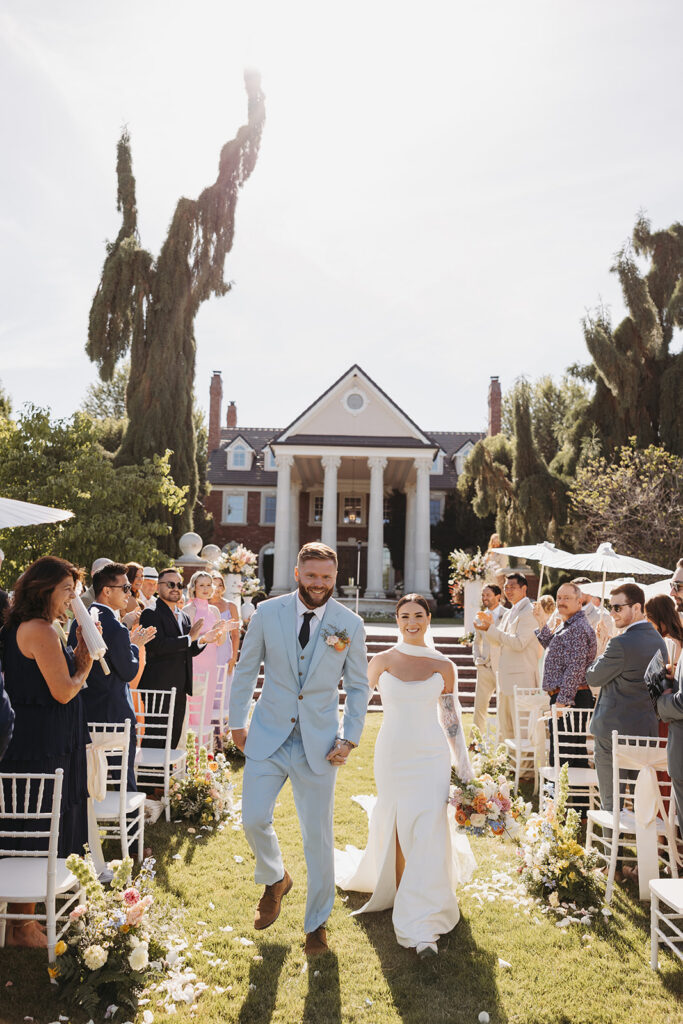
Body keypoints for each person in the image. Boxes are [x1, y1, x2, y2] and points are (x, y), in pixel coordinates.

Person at [229, 542, 369, 956]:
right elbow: (246, 667)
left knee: (318, 838)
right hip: (268, 734)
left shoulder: (350, 624)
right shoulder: (268, 613)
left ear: (335, 575)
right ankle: (276, 877)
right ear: (297, 573)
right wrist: (238, 721)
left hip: (320, 743)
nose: (319, 584)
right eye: (311, 576)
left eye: (326, 577)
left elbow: (359, 687)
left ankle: (316, 925)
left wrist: (350, 735)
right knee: (253, 819)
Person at [335, 594, 475, 958]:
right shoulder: (380, 661)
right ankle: (398, 891)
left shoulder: (444, 665)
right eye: (404, 616)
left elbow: (451, 718)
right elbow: (359, 704)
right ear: (397, 620)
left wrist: (463, 763)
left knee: (429, 823)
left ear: (429, 618)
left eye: (418, 615)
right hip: (393, 753)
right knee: (397, 821)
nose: (411, 622)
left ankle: (423, 916)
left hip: (431, 755)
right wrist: (342, 739)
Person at [0, 556, 93, 947]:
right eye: (66, 591)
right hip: (39, 744)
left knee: (38, 826)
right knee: (34, 830)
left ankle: (28, 919)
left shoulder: (33, 625)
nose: (72, 599)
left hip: (45, 738)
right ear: (43, 591)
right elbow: (63, 689)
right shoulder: (38, 629)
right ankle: (21, 926)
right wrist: (84, 661)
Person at [67, 562, 156, 791]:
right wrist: (134, 646)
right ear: (107, 591)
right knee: (122, 776)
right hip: (115, 714)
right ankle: (128, 820)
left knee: (88, 775)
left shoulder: (78, 622)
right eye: (125, 588)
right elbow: (128, 672)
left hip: (84, 709)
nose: (130, 593)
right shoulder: (116, 628)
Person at [587, 583, 667, 813]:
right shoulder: (658, 641)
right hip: (645, 733)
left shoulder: (619, 643)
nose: (612, 614)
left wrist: (602, 648)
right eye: (611, 608)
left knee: (611, 803)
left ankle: (608, 850)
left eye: (618, 608)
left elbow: (593, 677)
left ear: (638, 607)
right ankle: (640, 847)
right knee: (642, 805)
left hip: (612, 734)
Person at [139, 568, 224, 747]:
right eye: (170, 584)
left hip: (180, 687)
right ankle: (149, 776)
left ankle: (166, 775)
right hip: (159, 687)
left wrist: (203, 640)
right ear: (158, 587)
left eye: (179, 584)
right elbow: (157, 645)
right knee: (156, 738)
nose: (176, 588)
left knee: (174, 737)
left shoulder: (184, 617)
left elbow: (188, 649)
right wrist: (189, 638)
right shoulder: (151, 613)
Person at [533, 584, 597, 785]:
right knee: (564, 753)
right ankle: (567, 808)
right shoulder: (567, 624)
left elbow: (575, 668)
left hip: (571, 699)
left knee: (567, 755)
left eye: (566, 598)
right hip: (566, 697)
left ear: (580, 602)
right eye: (559, 597)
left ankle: (572, 810)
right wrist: (542, 621)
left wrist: (562, 701)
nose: (560, 602)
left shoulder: (577, 628)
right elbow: (553, 647)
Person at [475, 572, 539, 742]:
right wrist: (487, 629)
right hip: (505, 679)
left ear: (524, 588)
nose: (508, 590)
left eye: (512, 587)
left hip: (521, 680)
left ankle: (525, 769)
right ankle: (509, 767)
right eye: (506, 587)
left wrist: (492, 630)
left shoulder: (529, 612)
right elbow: (497, 643)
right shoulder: (511, 612)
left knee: (522, 731)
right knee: (506, 730)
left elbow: (519, 643)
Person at [185, 571, 229, 733]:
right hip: (194, 662)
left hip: (211, 661)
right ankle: (190, 747)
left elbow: (219, 641)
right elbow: (187, 639)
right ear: (194, 587)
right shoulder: (189, 610)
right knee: (193, 704)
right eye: (201, 585)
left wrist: (222, 630)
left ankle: (202, 752)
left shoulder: (214, 611)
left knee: (206, 704)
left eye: (209, 584)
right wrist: (206, 635)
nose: (205, 588)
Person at [472, 584, 504, 734]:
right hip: (484, 667)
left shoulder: (508, 614)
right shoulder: (479, 616)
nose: (485, 598)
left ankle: (504, 739)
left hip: (503, 668)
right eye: (483, 595)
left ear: (498, 596)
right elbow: (476, 641)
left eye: (488, 595)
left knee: (504, 706)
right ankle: (475, 741)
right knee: (479, 707)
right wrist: (477, 659)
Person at [210, 570, 240, 713]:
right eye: (214, 584)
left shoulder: (231, 606)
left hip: (224, 651)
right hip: (207, 650)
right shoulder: (203, 605)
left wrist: (234, 657)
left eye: (220, 585)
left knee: (224, 685)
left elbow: (235, 634)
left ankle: (222, 725)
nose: (217, 588)